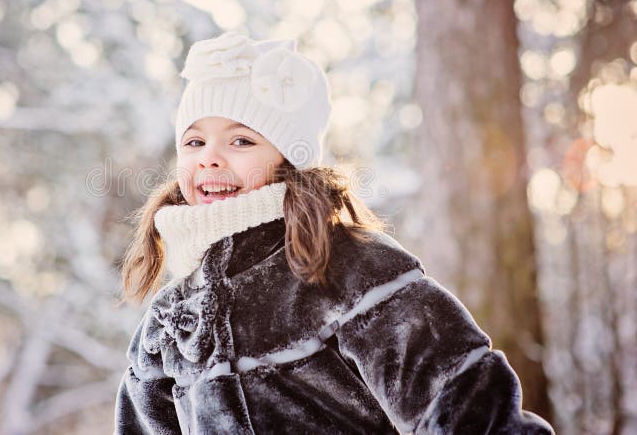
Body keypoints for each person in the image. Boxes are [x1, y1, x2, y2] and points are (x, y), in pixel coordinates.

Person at [113, 31, 554, 434]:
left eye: (241, 141)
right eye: (194, 142)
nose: (210, 157)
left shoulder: (348, 267)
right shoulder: (169, 321)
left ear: (287, 160)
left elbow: (461, 395)